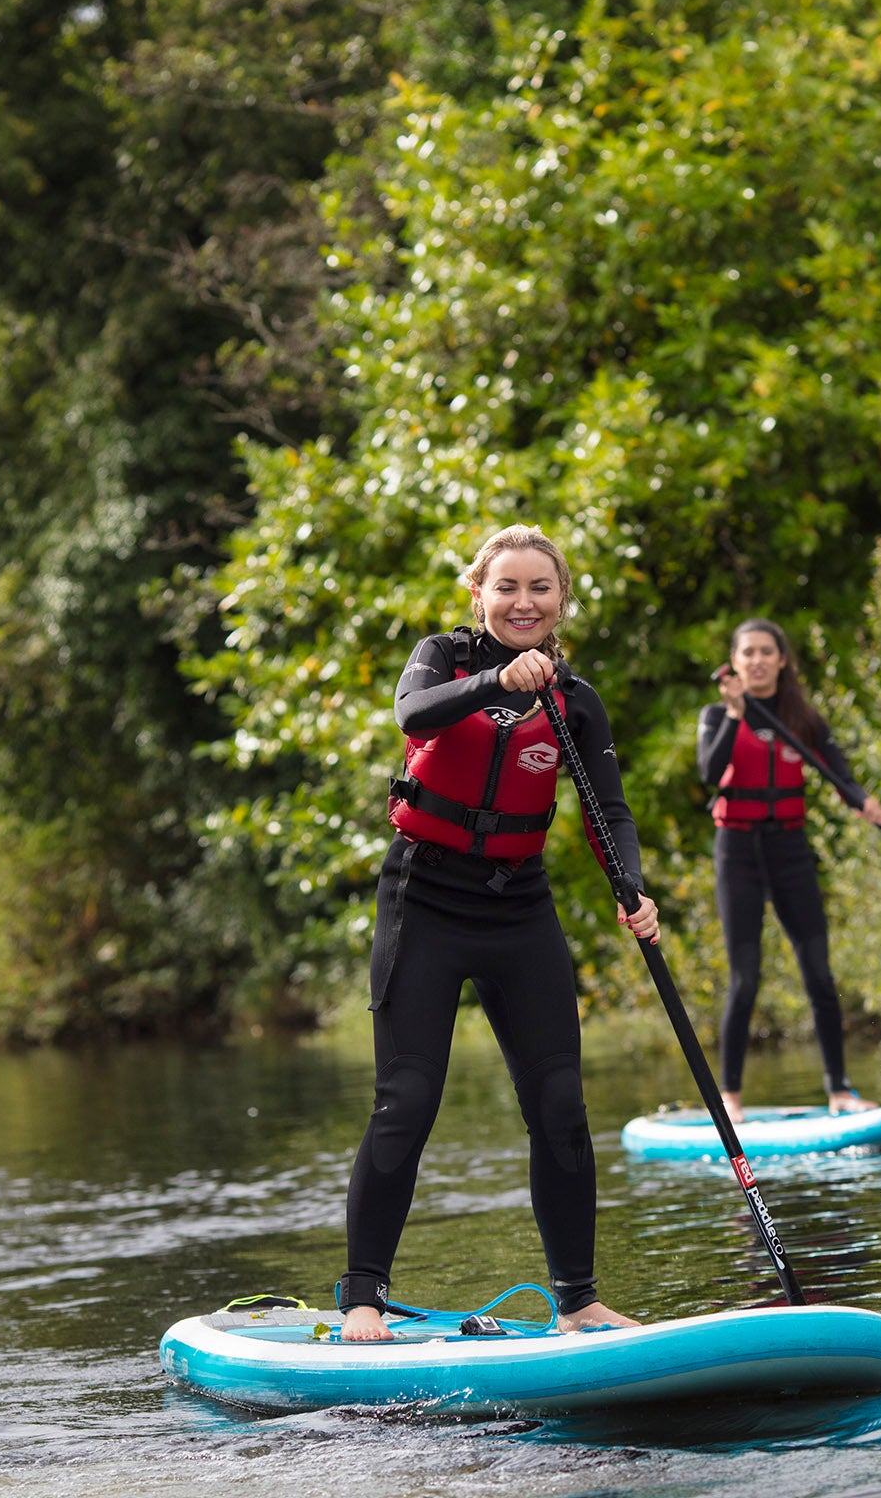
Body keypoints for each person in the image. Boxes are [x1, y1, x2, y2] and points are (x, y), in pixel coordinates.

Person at [339, 524, 656, 1343]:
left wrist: (633, 887)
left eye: (540, 589)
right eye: (507, 587)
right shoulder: (440, 659)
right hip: (426, 898)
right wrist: (492, 681)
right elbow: (413, 713)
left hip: (520, 907)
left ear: (561, 601)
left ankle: (579, 1299)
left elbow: (608, 811)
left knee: (559, 1104)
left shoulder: (575, 700)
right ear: (477, 593)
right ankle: (364, 1296)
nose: (524, 602)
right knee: (407, 1100)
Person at [698, 620, 881, 1122]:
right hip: (736, 851)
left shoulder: (801, 718)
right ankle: (730, 1097)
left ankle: (839, 1089)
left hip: (789, 851)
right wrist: (738, 716)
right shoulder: (716, 716)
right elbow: (710, 775)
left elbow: (838, 769)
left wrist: (861, 800)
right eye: (748, 653)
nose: (757, 660)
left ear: (782, 660)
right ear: (734, 662)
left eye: (767, 652)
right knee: (746, 978)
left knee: (819, 973)